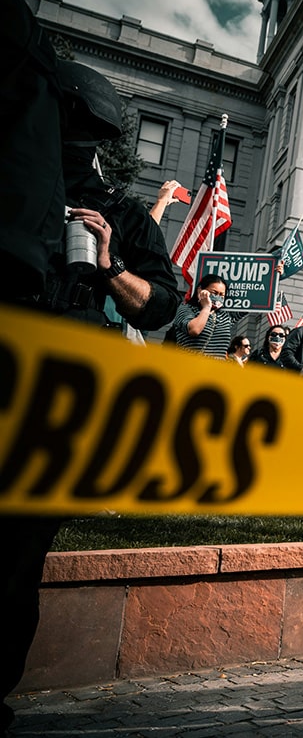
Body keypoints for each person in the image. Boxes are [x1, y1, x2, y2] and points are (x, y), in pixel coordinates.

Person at [1, 57, 181, 734]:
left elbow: (161, 305)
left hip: (51, 408)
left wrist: (109, 267)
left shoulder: (122, 215)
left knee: (17, 562)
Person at [171, 274, 232, 359]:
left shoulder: (224, 316)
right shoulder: (186, 309)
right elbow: (194, 330)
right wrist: (206, 307)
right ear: (200, 290)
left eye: (221, 295)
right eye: (214, 293)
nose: (218, 297)